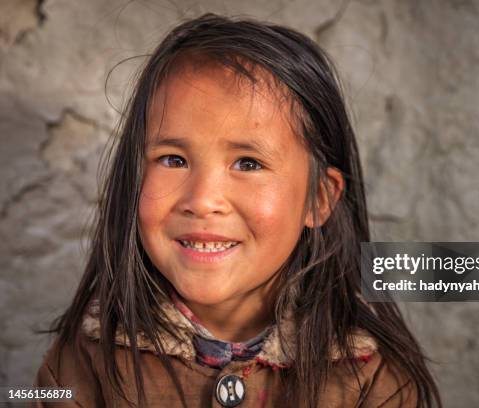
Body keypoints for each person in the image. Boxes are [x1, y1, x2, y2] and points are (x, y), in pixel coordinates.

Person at [34, 13, 440, 408]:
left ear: (318, 198)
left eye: (248, 163)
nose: (203, 199)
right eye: (173, 159)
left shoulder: (372, 377)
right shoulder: (81, 363)